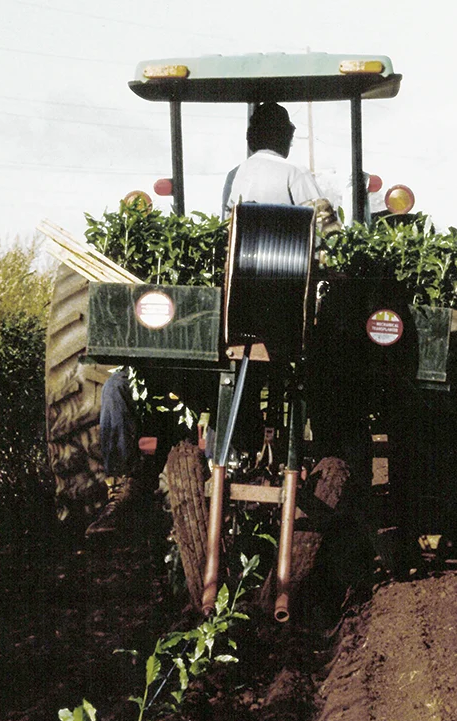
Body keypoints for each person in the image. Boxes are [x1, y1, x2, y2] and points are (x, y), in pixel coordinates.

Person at [86, 102, 324, 538]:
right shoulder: (294, 174)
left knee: (123, 383)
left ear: (251, 138)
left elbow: (227, 229)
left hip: (237, 308)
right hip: (284, 306)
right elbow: (321, 225)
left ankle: (179, 473)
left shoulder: (236, 177)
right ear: (285, 138)